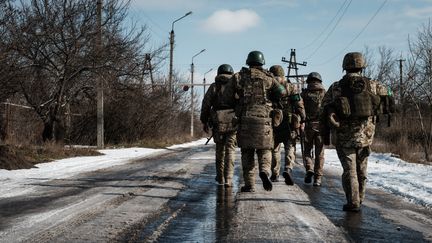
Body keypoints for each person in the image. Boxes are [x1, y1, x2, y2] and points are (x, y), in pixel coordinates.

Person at [321, 52, 394, 212]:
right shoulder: (373, 84)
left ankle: (352, 201)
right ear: (362, 66)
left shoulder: (336, 87)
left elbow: (324, 105)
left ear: (345, 67)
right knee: (362, 169)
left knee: (349, 170)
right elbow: (389, 94)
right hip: (366, 136)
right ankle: (360, 198)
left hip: (344, 135)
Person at [233, 51, 286, 192]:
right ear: (262, 62)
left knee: (247, 153)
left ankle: (249, 184)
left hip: (245, 120)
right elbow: (282, 92)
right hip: (264, 120)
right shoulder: (268, 77)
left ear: (248, 61)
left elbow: (227, 96)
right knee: (265, 150)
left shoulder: (239, 76)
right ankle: (264, 171)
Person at [200, 64, 237, 187]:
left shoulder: (214, 87)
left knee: (220, 150)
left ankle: (220, 177)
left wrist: (204, 120)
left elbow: (206, 104)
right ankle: (229, 178)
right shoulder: (236, 86)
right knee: (231, 150)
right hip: (233, 122)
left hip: (218, 122)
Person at [268, 65, 305, 185]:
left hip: (275, 122)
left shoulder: (270, 87)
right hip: (290, 122)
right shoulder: (291, 87)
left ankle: (275, 173)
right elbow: (299, 104)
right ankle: (288, 169)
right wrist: (303, 118)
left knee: (275, 149)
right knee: (290, 147)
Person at [301, 72, 326, 186]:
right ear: (319, 81)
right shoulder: (324, 94)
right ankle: (318, 178)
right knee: (319, 153)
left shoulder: (304, 94)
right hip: (321, 126)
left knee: (307, 150)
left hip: (308, 126)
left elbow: (300, 108)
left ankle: (309, 168)